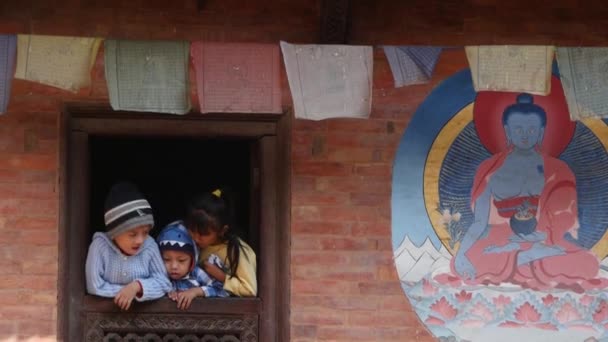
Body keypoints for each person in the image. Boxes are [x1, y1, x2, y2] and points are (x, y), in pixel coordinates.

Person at [451, 93, 605, 292]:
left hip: (543, 240)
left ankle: (526, 258)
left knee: (587, 262)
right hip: (500, 241)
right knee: (470, 259)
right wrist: (463, 253)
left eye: (532, 129)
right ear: (507, 131)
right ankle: (525, 259)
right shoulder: (489, 170)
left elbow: (564, 218)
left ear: (542, 132)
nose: (525, 134)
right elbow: (480, 222)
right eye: (518, 128)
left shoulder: (558, 170)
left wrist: (539, 238)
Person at [85, 182, 172, 310]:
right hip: (106, 319)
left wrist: (137, 287)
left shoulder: (150, 246)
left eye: (146, 233)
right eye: (132, 234)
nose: (140, 240)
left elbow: (164, 283)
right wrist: (125, 292)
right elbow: (94, 285)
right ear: (114, 233)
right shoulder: (100, 246)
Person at [184, 189, 257, 297]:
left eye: (203, 234)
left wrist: (221, 276)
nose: (196, 238)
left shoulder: (236, 251)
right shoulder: (190, 242)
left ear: (222, 231)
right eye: (192, 231)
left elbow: (250, 289)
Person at [157, 221, 229, 310]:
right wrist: (168, 292)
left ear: (193, 259)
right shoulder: (159, 276)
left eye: (181, 260)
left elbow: (223, 291)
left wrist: (196, 292)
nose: (174, 266)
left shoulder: (197, 273)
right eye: (167, 259)